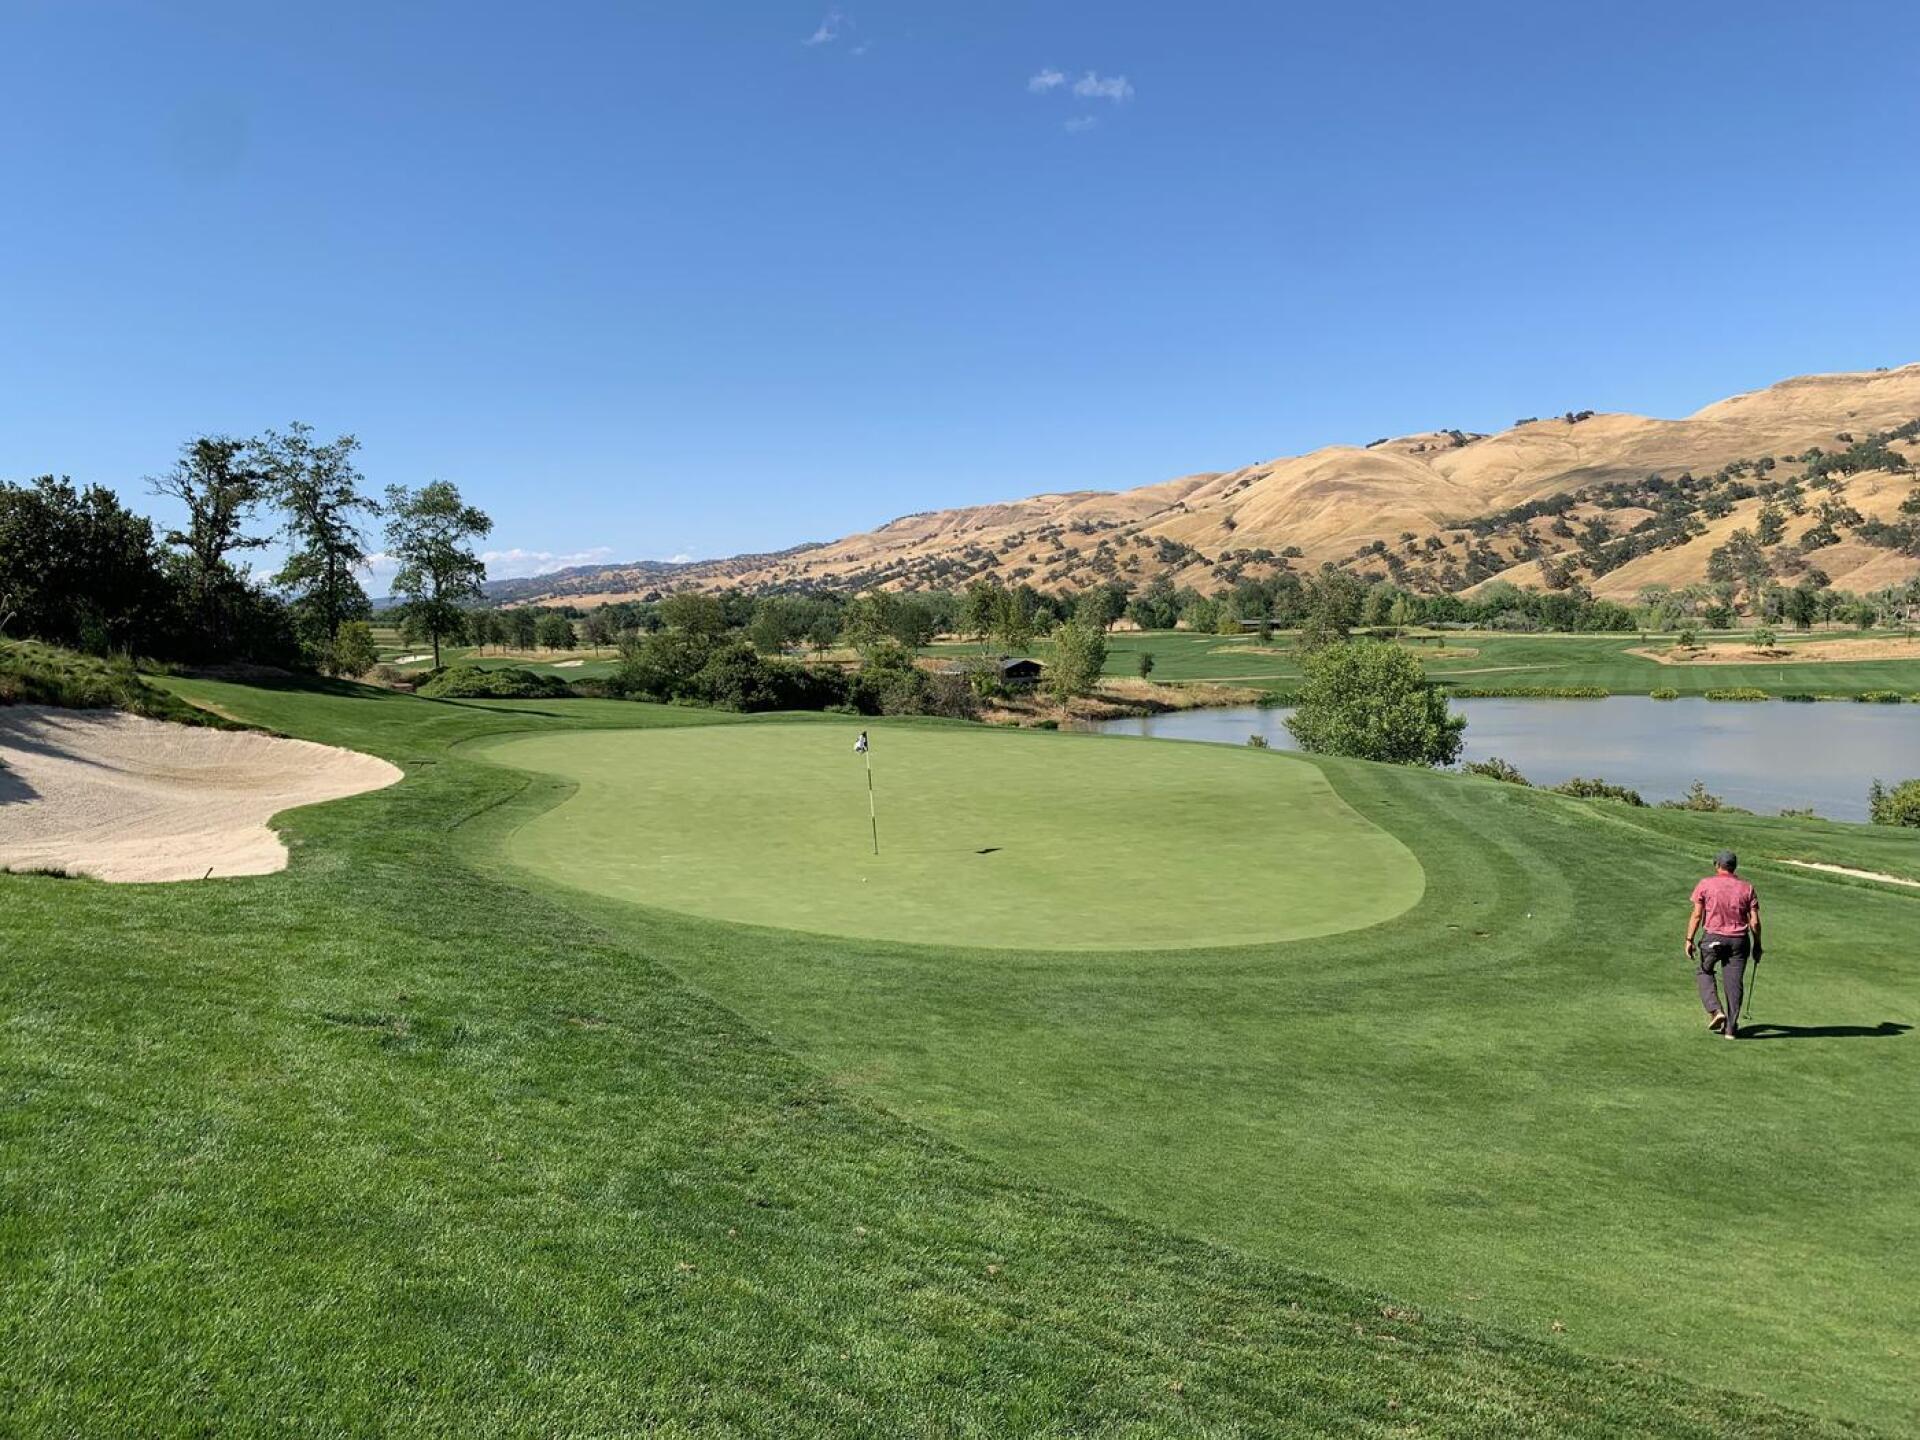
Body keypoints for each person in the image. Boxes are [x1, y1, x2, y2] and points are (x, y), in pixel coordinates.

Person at [1685, 850, 1761, 1039]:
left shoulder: (1705, 884)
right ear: (1734, 867)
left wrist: (1689, 939)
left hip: (1713, 938)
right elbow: (1755, 922)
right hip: (1739, 941)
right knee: (1734, 983)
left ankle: (1715, 1011)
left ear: (1717, 865)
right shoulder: (1747, 888)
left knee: (1704, 971)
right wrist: (1757, 945)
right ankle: (1731, 1029)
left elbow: (1696, 915)